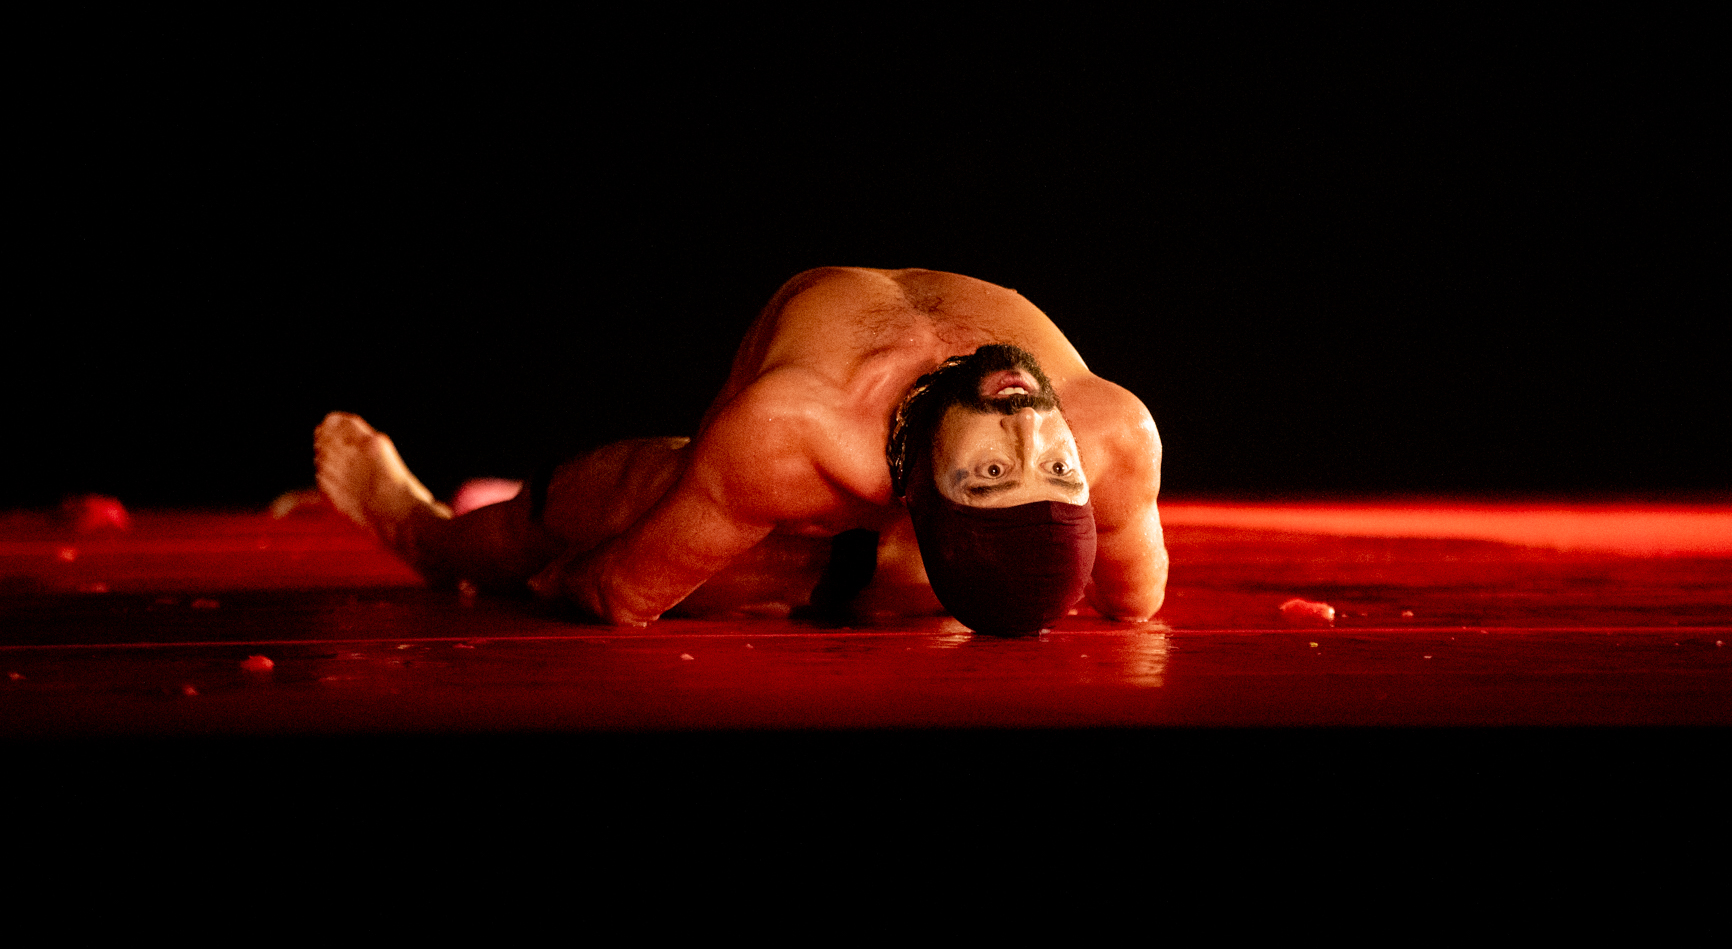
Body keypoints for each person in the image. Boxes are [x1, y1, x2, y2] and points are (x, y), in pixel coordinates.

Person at [314, 267, 1165, 634]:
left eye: (990, 473)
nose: (1027, 429)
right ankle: (863, 581)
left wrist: (555, 576)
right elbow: (1135, 600)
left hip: (821, 530)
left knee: (593, 505)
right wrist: (1043, 565)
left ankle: (423, 532)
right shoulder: (1111, 434)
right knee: (675, 504)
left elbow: (620, 591)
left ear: (929, 497)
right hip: (882, 548)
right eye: (1054, 468)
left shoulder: (796, 435)